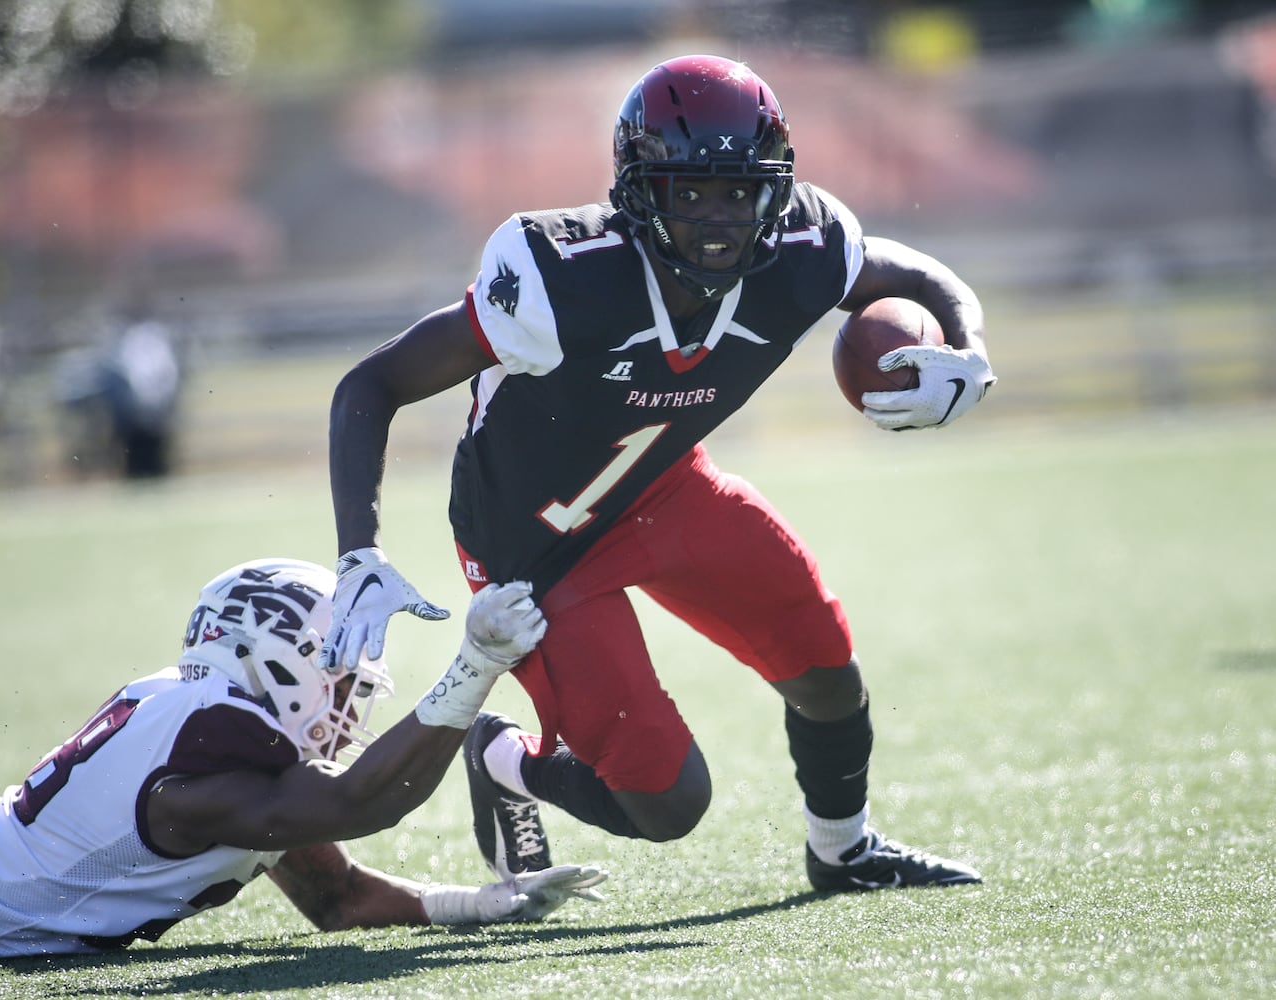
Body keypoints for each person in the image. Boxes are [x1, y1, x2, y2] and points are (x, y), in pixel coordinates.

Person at [323, 54, 996, 895]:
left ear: (774, 189)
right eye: (688, 193)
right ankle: (501, 759)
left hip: (666, 487)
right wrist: (360, 552)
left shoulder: (802, 245)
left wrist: (966, 348)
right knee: (666, 802)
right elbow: (371, 384)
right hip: (537, 550)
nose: (717, 220)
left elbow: (917, 276)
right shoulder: (560, 276)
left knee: (823, 668)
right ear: (639, 190)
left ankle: (842, 851)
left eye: (739, 192)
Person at [0, 558, 605, 972]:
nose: (352, 702)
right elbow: (360, 801)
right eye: (341, 677)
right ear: (275, 660)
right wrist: (474, 664)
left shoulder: (215, 733)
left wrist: (484, 907)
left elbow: (339, 898)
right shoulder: (207, 760)